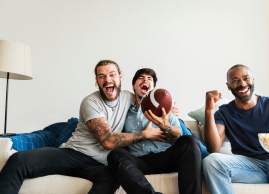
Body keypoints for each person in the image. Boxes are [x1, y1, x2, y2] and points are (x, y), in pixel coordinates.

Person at [0, 60, 161, 194]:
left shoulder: (129, 98)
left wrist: (168, 106)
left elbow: (149, 100)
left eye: (112, 74)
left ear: (120, 77)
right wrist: (144, 134)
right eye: (101, 76)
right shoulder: (90, 102)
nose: (107, 79)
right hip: (74, 153)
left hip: (101, 166)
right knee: (18, 160)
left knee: (111, 179)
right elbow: (108, 141)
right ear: (96, 80)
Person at [203, 64, 269, 194]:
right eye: (235, 81)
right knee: (211, 161)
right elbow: (213, 148)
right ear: (228, 86)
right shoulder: (224, 113)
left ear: (253, 79)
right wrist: (209, 111)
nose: (242, 84)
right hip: (249, 167)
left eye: (246, 78)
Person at [108, 68, 203, 194]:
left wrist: (166, 127)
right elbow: (114, 138)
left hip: (166, 157)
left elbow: (178, 134)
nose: (145, 80)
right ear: (134, 86)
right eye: (141, 78)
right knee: (115, 155)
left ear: (153, 88)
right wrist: (144, 135)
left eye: (149, 79)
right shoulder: (125, 111)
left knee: (189, 141)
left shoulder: (165, 109)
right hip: (140, 161)